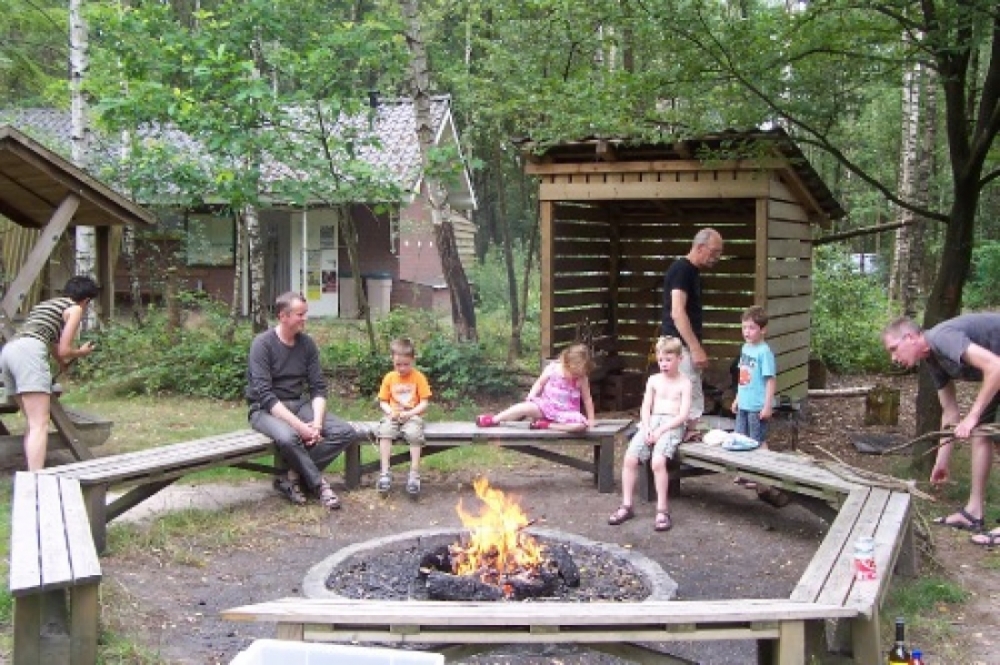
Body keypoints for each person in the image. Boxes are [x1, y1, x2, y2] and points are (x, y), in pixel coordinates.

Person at [882, 314, 1000, 545]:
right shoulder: (932, 360)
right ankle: (973, 512)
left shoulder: (941, 338)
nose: (894, 357)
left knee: (986, 429)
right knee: (981, 432)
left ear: (911, 337)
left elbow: (995, 367)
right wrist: (941, 461)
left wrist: (972, 416)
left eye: (894, 348)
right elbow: (950, 412)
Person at [246, 291, 360, 510]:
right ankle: (320, 486)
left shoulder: (307, 344)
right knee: (289, 437)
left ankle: (292, 476)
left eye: (305, 313)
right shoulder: (262, 344)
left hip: (298, 404)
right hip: (264, 410)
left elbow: (318, 388)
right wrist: (301, 428)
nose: (305, 318)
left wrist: (316, 424)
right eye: (300, 314)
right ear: (283, 316)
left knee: (345, 432)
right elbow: (266, 396)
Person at [0, 276, 99, 470]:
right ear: (86, 300)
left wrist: (62, 363)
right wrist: (81, 352)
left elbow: (54, 345)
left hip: (9, 352)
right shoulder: (75, 309)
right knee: (40, 424)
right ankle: (36, 477)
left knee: (34, 422)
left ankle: (32, 472)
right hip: (29, 352)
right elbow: (64, 349)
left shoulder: (47, 305)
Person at [608, 336, 691, 532]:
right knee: (630, 458)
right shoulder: (653, 380)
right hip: (651, 422)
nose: (664, 364)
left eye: (668, 359)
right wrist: (646, 427)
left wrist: (661, 430)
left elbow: (683, 415)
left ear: (679, 359)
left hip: (672, 424)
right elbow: (645, 407)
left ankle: (662, 510)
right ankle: (626, 505)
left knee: (658, 462)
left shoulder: (684, 383)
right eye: (661, 360)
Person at [661, 228, 724, 436]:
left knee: (687, 399)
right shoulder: (682, 270)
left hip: (681, 345)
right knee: (688, 400)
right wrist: (695, 348)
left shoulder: (692, 272)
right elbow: (677, 312)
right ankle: (681, 443)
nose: (716, 258)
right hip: (678, 345)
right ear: (700, 247)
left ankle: (683, 439)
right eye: (714, 252)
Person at [730, 306, 788, 507]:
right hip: (744, 403)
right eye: (744, 327)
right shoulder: (745, 349)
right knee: (741, 439)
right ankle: (745, 472)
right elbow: (742, 377)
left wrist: (767, 405)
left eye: (752, 328)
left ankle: (764, 474)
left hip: (757, 405)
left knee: (758, 441)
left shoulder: (764, 352)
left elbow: (770, 380)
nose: (747, 332)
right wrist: (737, 398)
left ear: (763, 330)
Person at [476, 343, 595, 432]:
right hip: (546, 407)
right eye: (574, 374)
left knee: (581, 426)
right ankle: (494, 419)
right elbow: (539, 384)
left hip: (566, 413)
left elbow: (587, 399)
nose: (576, 377)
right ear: (566, 363)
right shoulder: (553, 369)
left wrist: (591, 419)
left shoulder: (582, 379)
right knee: (524, 407)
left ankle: (546, 425)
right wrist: (531, 396)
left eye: (580, 374)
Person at [375, 337, 432, 499]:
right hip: (393, 415)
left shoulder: (418, 377)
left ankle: (414, 474)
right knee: (384, 431)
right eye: (398, 364)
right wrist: (390, 411)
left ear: (413, 360)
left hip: (412, 416)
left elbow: (424, 403)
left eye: (406, 364)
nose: (402, 368)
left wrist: (411, 413)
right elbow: (383, 401)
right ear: (392, 360)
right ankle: (385, 472)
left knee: (414, 435)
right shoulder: (389, 378)